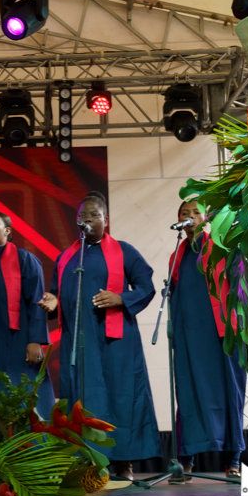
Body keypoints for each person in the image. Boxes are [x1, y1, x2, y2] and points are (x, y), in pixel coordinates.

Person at [38, 191, 160, 480]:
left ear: (107, 219)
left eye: (93, 215)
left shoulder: (124, 251)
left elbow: (146, 286)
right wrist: (53, 302)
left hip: (115, 342)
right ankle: (88, 461)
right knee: (84, 398)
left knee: (119, 397)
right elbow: (57, 293)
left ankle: (123, 463)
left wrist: (121, 299)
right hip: (78, 344)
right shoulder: (67, 257)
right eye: (82, 216)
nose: (87, 220)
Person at [168, 200, 247, 483]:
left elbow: (240, 287)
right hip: (190, 337)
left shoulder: (224, 246)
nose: (190, 217)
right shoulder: (177, 256)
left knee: (230, 394)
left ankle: (233, 461)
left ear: (208, 217)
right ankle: (186, 460)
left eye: (196, 212)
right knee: (189, 396)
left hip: (222, 335)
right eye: (184, 214)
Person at [0, 212, 54, 418]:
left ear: (7, 231)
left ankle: (33, 446)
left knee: (21, 391)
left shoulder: (24, 259)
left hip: (16, 339)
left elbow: (36, 300)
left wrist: (36, 340)